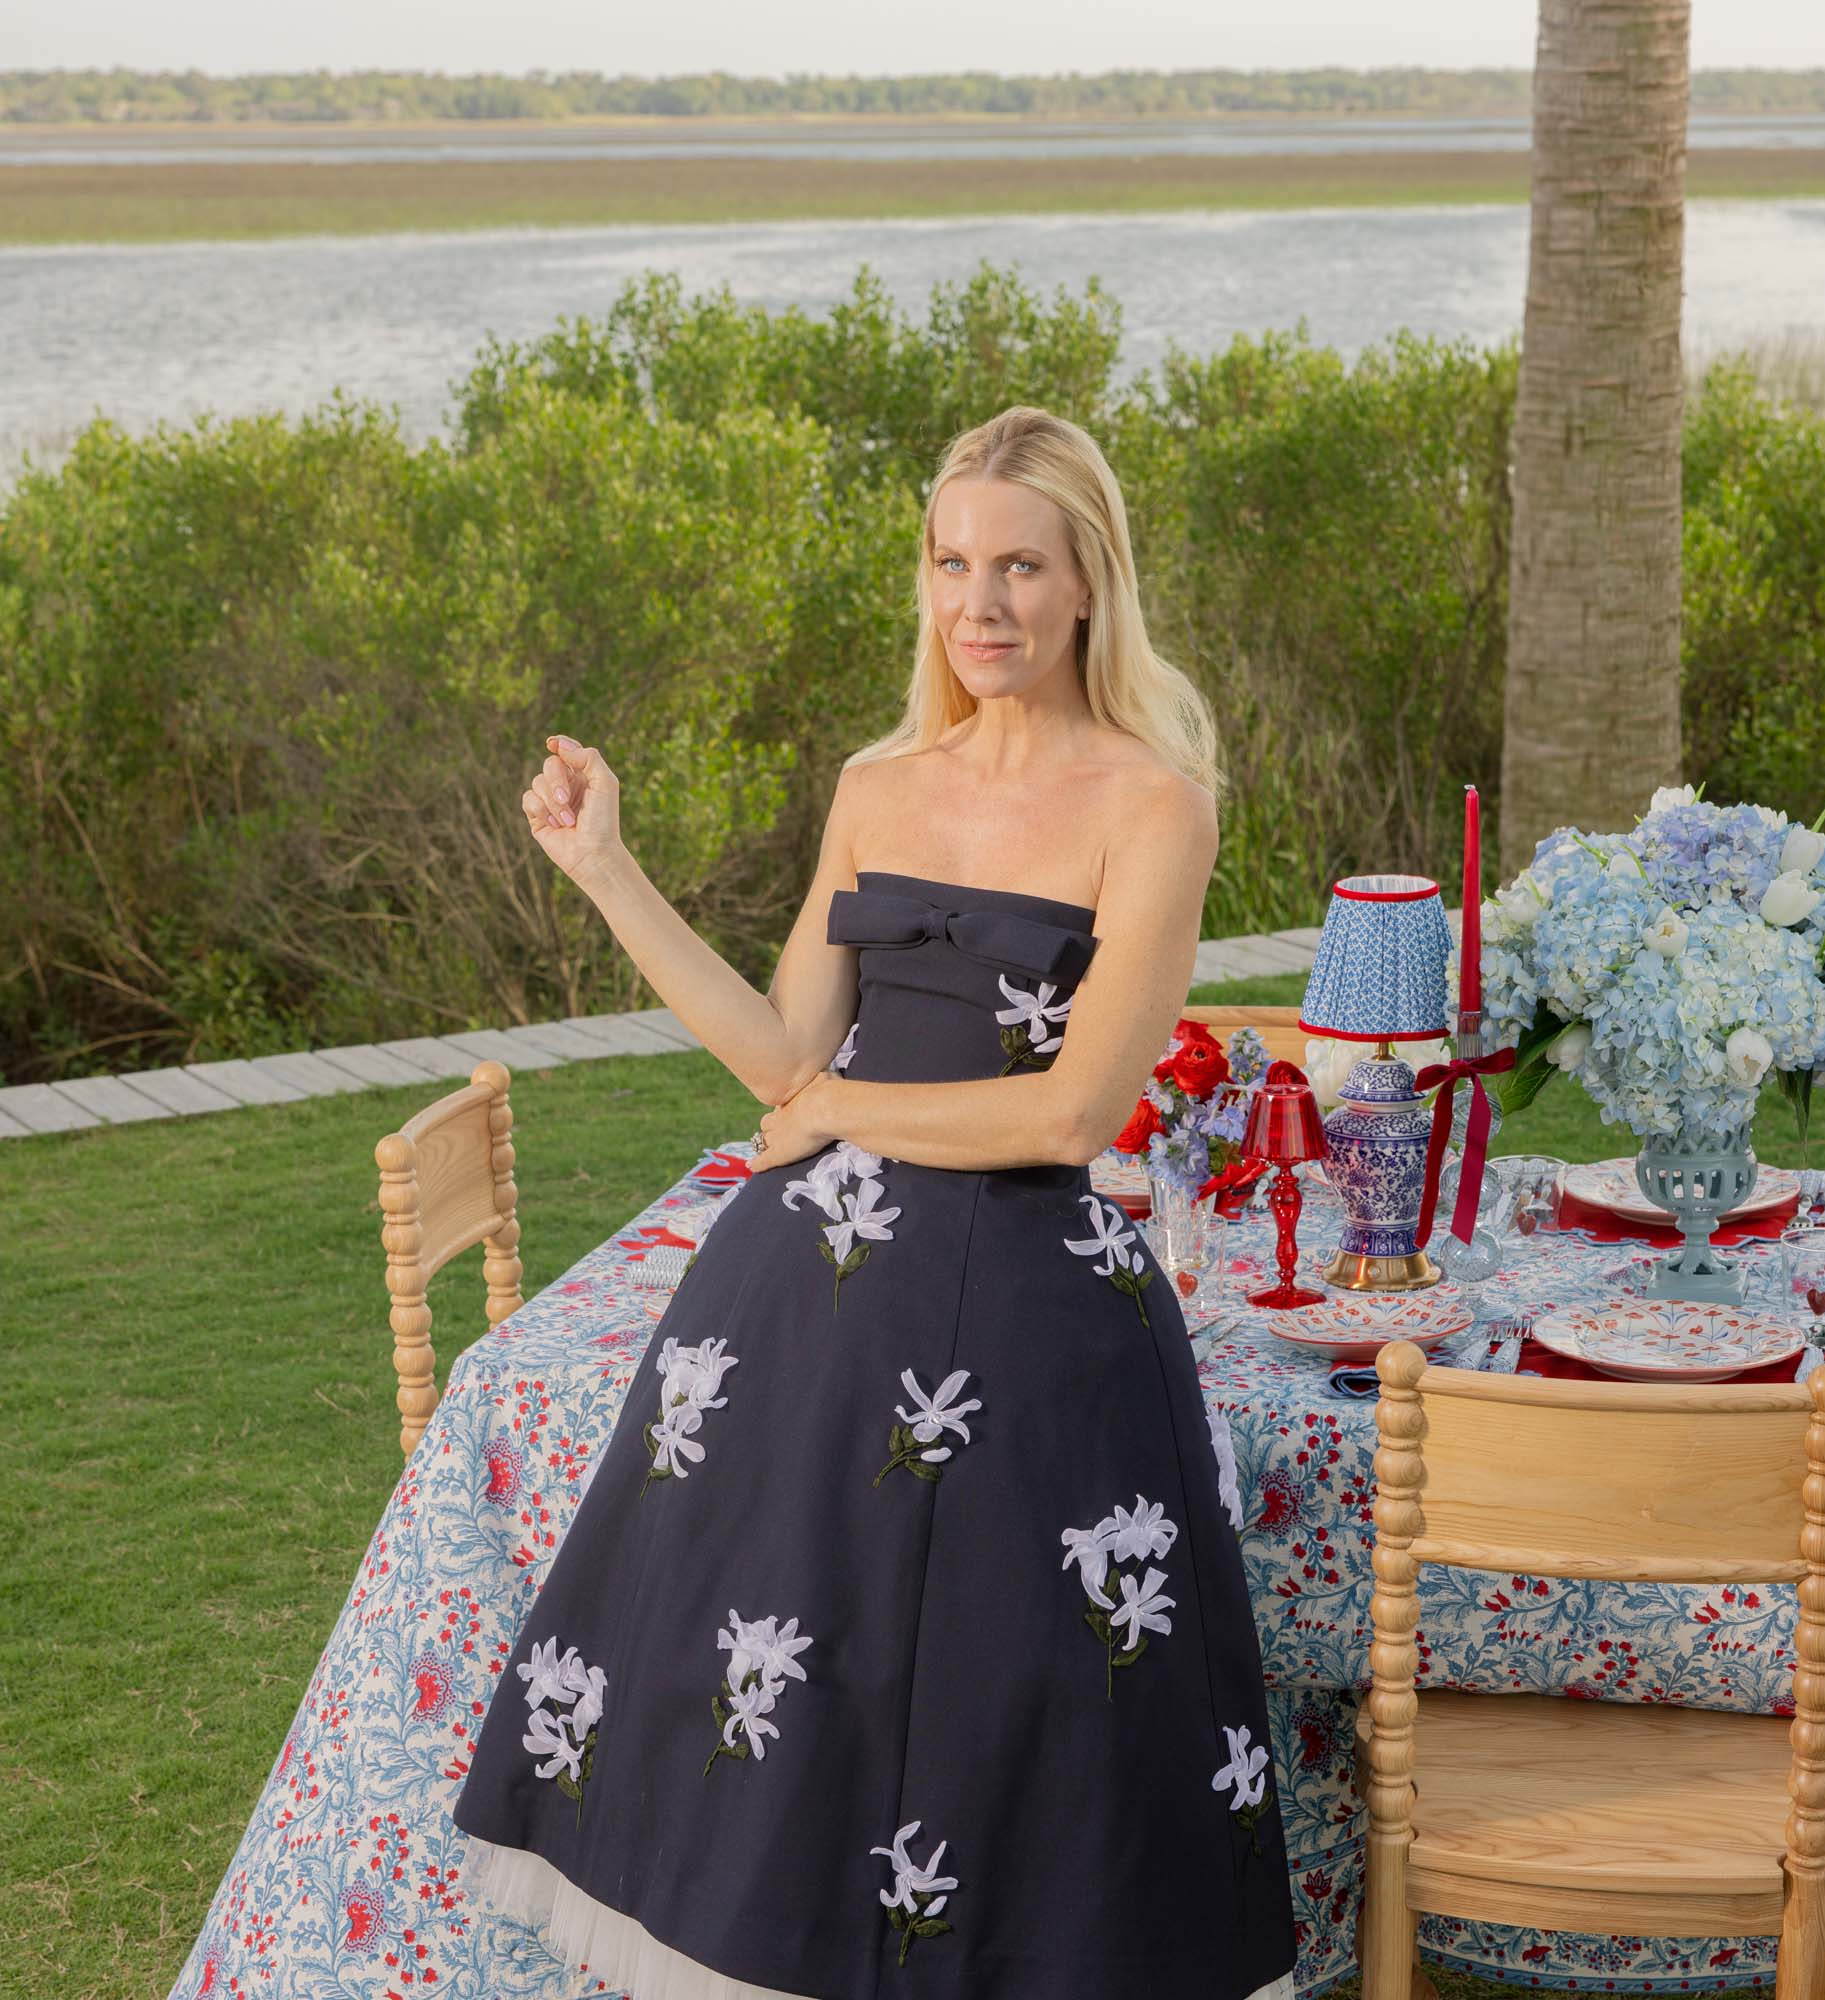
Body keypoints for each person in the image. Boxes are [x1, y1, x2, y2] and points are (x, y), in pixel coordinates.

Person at [454, 404, 1297, 1999]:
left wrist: (836, 1108)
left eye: (1020, 567)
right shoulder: (878, 781)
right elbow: (780, 1049)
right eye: (950, 563)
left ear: (1089, 586)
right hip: (808, 1318)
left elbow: (1074, 1109)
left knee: (1008, 1713)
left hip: (1044, 1321)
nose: (980, 605)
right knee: (791, 1696)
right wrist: (609, 874)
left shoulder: (1153, 805)